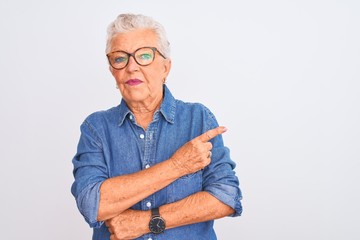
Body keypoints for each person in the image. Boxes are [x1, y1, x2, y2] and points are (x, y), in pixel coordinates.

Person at [71, 13, 243, 240]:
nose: (131, 67)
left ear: (166, 67)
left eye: (144, 55)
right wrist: (178, 166)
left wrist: (145, 222)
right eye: (120, 58)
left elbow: (227, 197)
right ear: (112, 71)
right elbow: (92, 204)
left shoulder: (198, 119)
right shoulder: (96, 128)